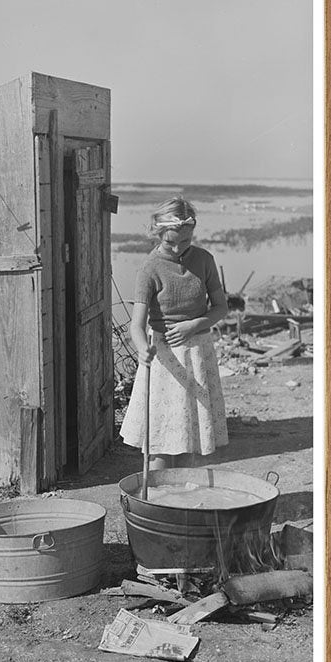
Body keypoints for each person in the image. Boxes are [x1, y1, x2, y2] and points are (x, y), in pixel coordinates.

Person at [119, 196, 229, 470]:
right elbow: (136, 324)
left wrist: (195, 324)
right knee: (160, 441)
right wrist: (142, 347)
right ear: (158, 233)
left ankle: (181, 500)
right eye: (170, 242)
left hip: (198, 352)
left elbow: (220, 307)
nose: (178, 248)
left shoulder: (204, 260)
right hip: (164, 358)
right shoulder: (149, 268)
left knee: (189, 438)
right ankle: (157, 500)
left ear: (192, 234)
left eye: (185, 242)